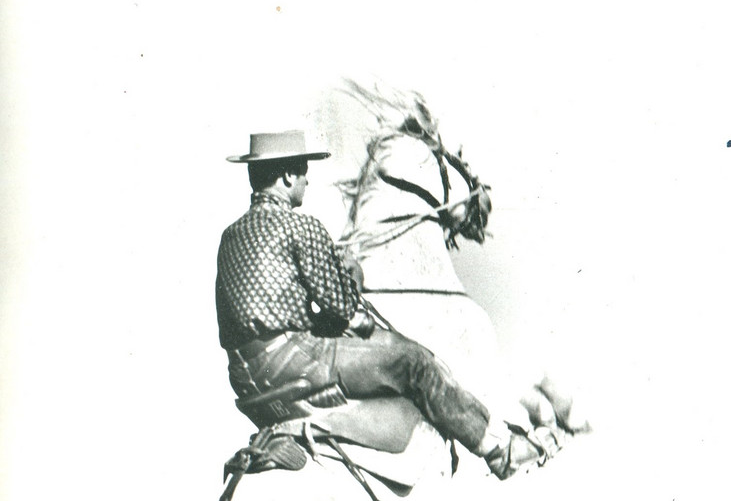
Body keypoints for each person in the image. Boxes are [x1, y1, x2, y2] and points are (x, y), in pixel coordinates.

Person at [216, 129, 551, 480]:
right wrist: (353, 274)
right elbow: (341, 308)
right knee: (414, 363)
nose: (306, 181)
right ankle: (500, 451)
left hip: (246, 380)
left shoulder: (231, 236)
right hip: (295, 363)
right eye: (302, 172)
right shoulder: (301, 227)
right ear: (287, 176)